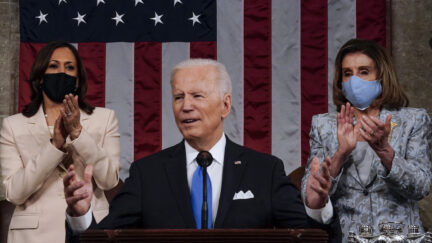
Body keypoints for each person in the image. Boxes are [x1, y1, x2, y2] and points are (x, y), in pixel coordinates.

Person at [64, 58, 341, 242]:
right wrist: (80, 214)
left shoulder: (264, 171)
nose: (186, 106)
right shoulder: (147, 174)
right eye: (178, 97)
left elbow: (312, 238)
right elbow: (99, 240)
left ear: (225, 105)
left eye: (197, 96)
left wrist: (317, 209)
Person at [301, 38, 432, 241]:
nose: (355, 81)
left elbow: (420, 187)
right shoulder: (323, 125)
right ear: (340, 81)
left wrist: (385, 152)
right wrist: (341, 153)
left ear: (381, 76)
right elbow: (311, 199)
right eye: (347, 73)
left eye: (363, 71)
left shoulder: (413, 120)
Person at [0, 41, 120, 243]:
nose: (61, 72)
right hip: (33, 236)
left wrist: (78, 133)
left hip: (90, 230)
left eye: (70, 67)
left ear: (77, 80)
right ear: (40, 78)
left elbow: (109, 180)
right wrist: (54, 146)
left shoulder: (105, 119)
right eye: (53, 66)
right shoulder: (13, 126)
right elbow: (14, 193)